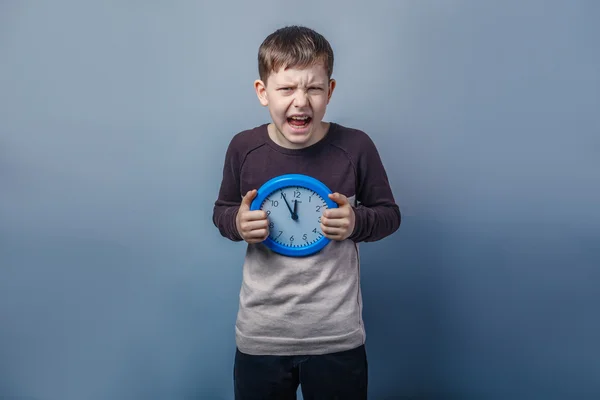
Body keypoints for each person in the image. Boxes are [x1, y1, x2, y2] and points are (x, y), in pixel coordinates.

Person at [212, 25, 401, 400]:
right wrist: (237, 222)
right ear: (263, 92)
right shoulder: (244, 148)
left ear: (329, 91)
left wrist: (356, 222)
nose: (301, 101)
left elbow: (388, 215)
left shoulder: (355, 146)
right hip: (262, 334)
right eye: (286, 89)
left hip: (336, 336)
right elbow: (222, 212)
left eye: (313, 88)